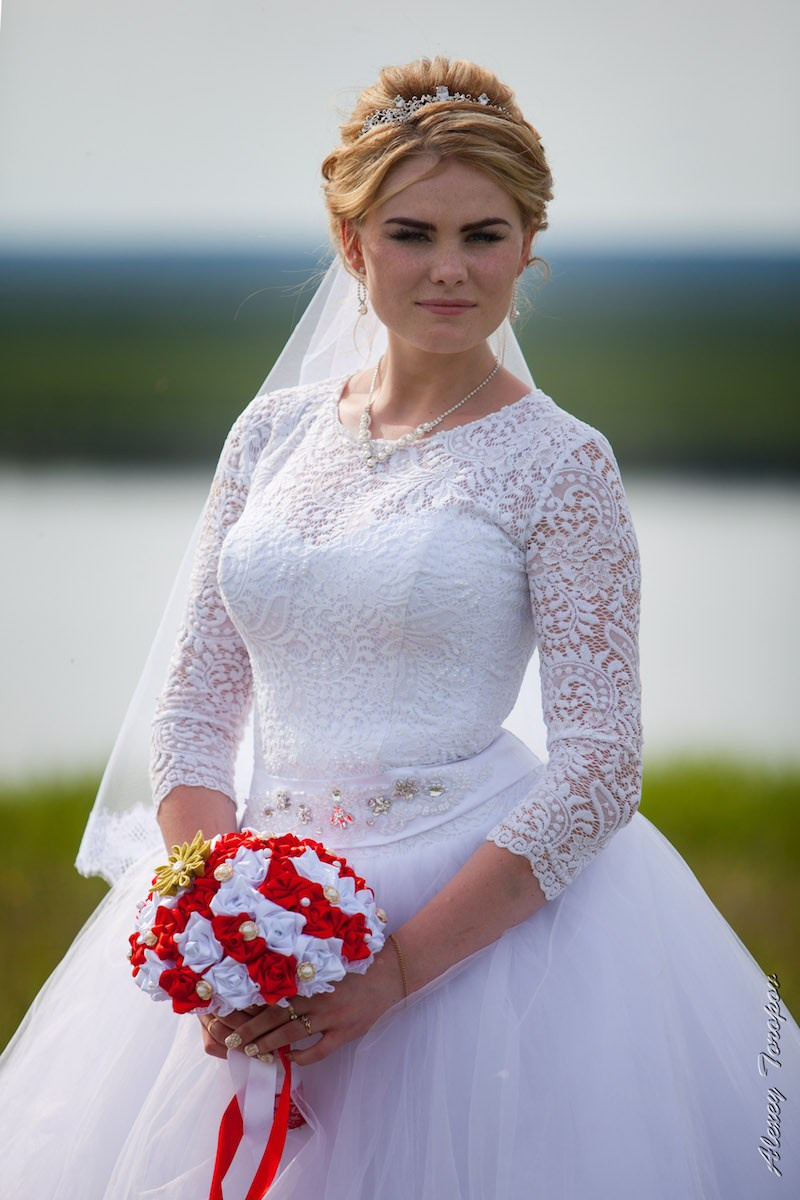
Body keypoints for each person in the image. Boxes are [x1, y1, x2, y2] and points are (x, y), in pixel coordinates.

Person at [1, 55, 797, 1199]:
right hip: (251, 899)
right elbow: (190, 711)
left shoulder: (561, 465)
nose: (448, 270)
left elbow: (598, 767)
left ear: (528, 246)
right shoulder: (267, 437)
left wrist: (389, 972)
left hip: (464, 926)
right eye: (410, 232)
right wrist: (222, 919)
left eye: (484, 234)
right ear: (350, 241)